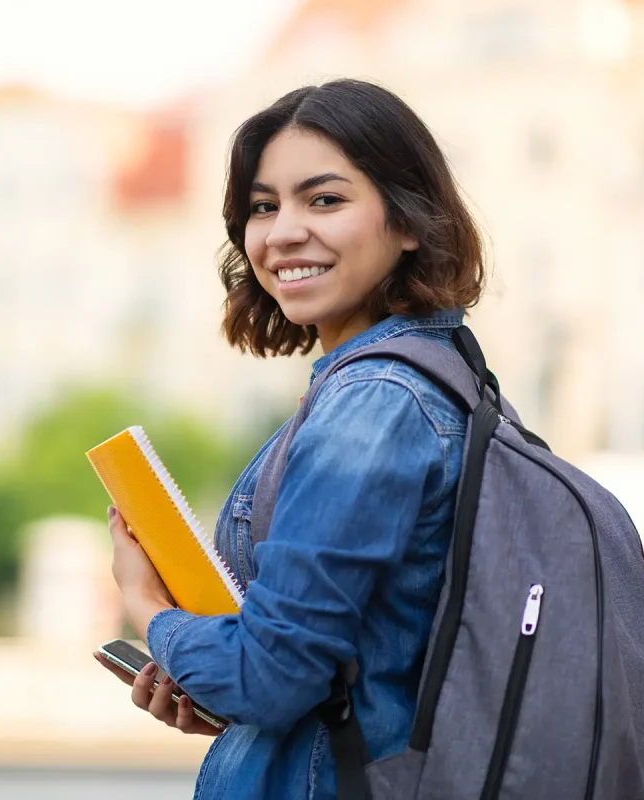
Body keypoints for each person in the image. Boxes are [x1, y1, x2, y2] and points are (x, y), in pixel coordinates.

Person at [95, 78, 485, 799]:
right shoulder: (441, 380)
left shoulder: (373, 406)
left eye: (325, 200)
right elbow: (343, 675)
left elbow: (270, 677)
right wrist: (227, 702)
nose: (282, 232)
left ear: (408, 221)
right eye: (263, 206)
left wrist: (148, 609)